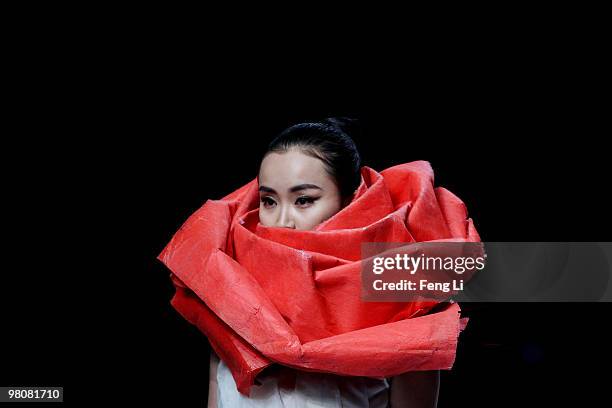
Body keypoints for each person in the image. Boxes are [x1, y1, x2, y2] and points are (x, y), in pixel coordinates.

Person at [207, 118, 440, 407]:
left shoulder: (400, 303)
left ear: (352, 201)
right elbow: (218, 386)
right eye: (269, 201)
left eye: (303, 200)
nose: (282, 222)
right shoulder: (229, 291)